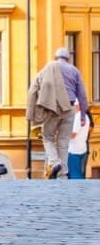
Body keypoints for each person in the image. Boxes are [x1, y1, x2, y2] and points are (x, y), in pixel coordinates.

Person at [27, 47, 89, 179]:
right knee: (63, 141)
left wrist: (32, 110)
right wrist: (83, 115)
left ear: (56, 58)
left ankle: (54, 163)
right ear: (68, 58)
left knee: (47, 136)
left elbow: (34, 88)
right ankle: (63, 172)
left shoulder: (49, 68)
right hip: (70, 108)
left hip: (53, 108)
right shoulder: (74, 70)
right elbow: (82, 95)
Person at [68, 101, 91, 179]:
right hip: (82, 149)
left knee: (75, 176)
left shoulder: (78, 116)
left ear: (77, 106)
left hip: (74, 150)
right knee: (80, 174)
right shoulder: (86, 117)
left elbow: (73, 134)